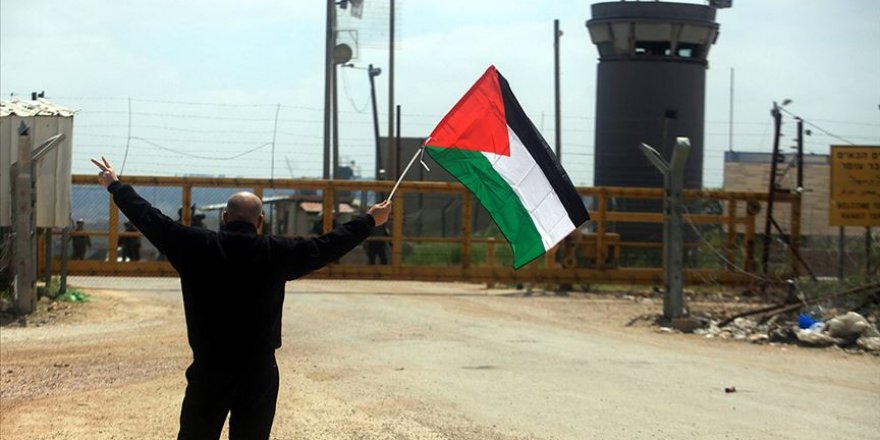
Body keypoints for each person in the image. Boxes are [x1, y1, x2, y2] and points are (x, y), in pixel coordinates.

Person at [90, 157, 390, 440]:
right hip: (258, 371)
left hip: (210, 367)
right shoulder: (277, 252)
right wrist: (368, 221)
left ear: (224, 218)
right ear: (260, 221)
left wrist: (115, 185)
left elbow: (150, 218)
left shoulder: (195, 246)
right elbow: (326, 245)